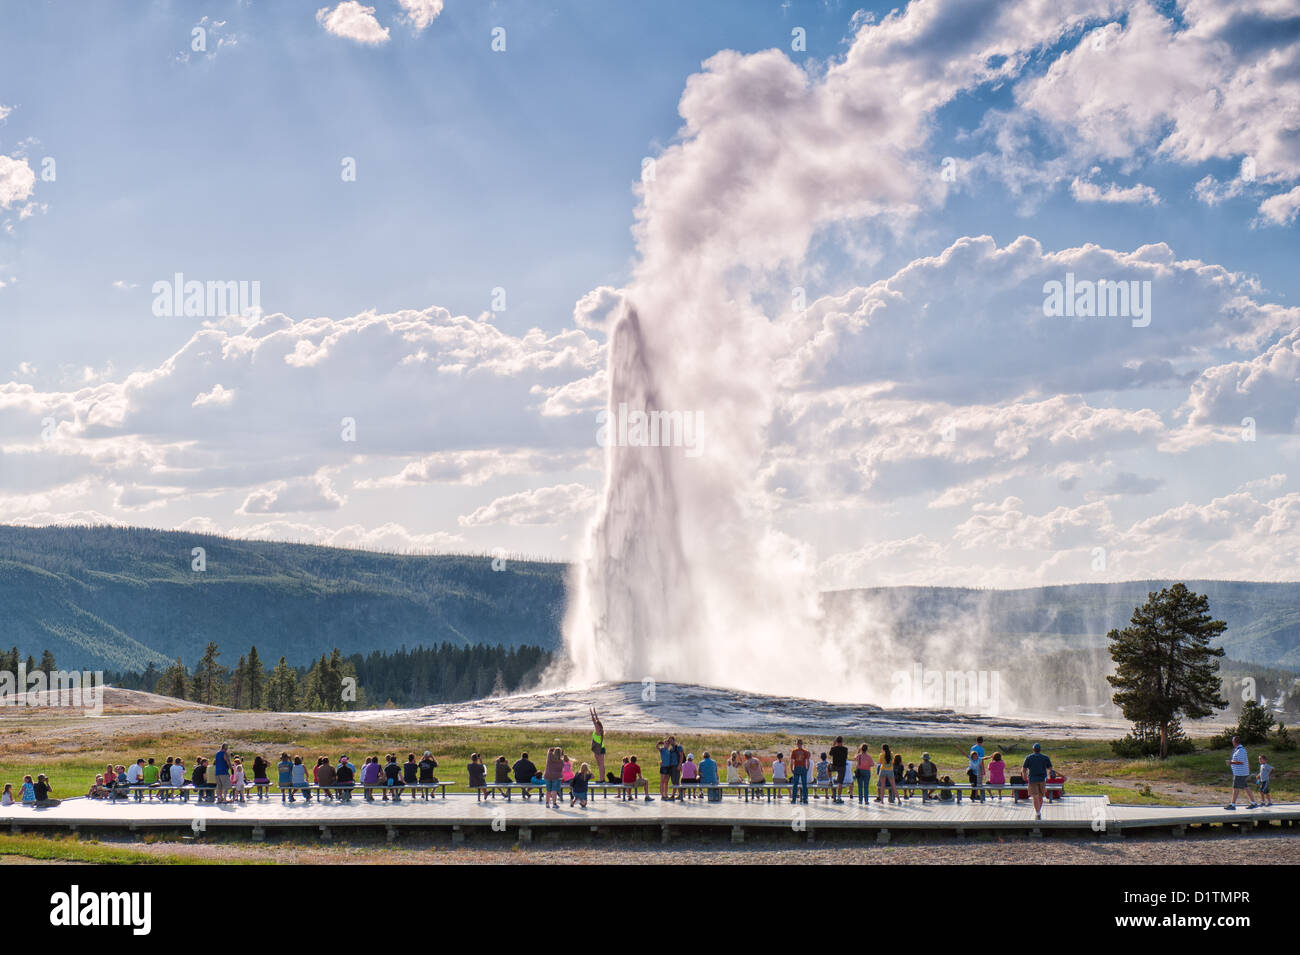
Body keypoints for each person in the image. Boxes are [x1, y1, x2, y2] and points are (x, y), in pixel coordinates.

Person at [1022, 742, 1053, 820]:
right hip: (1042, 779)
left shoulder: (1028, 757)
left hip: (1032, 779)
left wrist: (1024, 776)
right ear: (1040, 749)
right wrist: (1049, 774)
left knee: (1035, 796)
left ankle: (1037, 812)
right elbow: (1050, 767)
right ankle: (1038, 811)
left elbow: (1024, 769)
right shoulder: (1045, 757)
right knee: (1040, 796)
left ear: (1033, 750)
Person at [1224, 735, 1255, 810]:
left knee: (1236, 788)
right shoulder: (1239, 749)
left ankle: (1233, 805)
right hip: (1241, 772)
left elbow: (1241, 762)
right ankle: (1254, 803)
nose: (1232, 743)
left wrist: (1231, 762)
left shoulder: (1240, 750)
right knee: (1246, 787)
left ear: (1234, 742)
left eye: (1232, 741)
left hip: (1240, 773)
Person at [789, 739, 811, 805]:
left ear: (797, 744)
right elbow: (808, 761)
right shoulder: (805, 752)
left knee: (795, 784)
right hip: (803, 768)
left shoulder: (794, 751)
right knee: (804, 784)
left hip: (797, 767)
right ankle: (805, 799)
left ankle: (794, 799)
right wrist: (807, 768)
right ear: (802, 744)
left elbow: (792, 761)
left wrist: (791, 768)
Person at [829, 736, 849, 804]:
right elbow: (846, 757)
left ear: (836, 742)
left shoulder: (833, 748)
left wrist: (833, 745)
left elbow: (830, 754)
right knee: (840, 782)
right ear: (842, 742)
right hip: (842, 767)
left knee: (828, 767)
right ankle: (839, 797)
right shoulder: (845, 749)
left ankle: (830, 780)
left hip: (835, 766)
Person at [589, 706, 607, 781]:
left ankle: (601, 779)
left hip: (598, 749)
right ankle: (602, 778)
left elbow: (594, 721)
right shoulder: (601, 730)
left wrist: (591, 713)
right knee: (602, 765)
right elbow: (597, 720)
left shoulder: (598, 731)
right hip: (602, 748)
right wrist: (595, 713)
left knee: (600, 765)